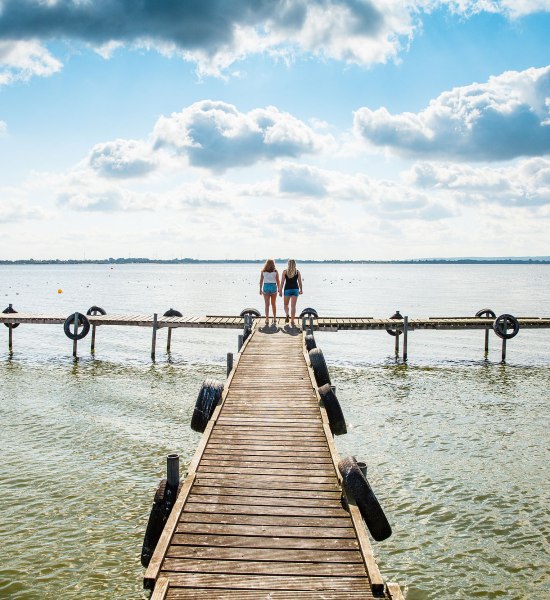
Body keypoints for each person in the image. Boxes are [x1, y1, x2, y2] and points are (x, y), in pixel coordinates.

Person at [279, 259, 303, 327]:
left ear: (288, 264)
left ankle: (287, 314)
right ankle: (292, 321)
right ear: (295, 264)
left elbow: (282, 282)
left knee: (286, 305)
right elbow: (300, 282)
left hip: (287, 289)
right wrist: (301, 290)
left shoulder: (285, 272)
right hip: (295, 289)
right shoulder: (297, 272)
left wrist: (280, 291)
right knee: (293, 306)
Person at [259, 259, 280, 325]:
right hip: (273, 287)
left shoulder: (263, 271)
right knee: (273, 304)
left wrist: (260, 289)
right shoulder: (275, 271)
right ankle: (274, 319)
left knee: (267, 304)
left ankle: (267, 319)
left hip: (266, 287)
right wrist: (279, 288)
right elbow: (278, 281)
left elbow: (261, 281)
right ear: (273, 264)